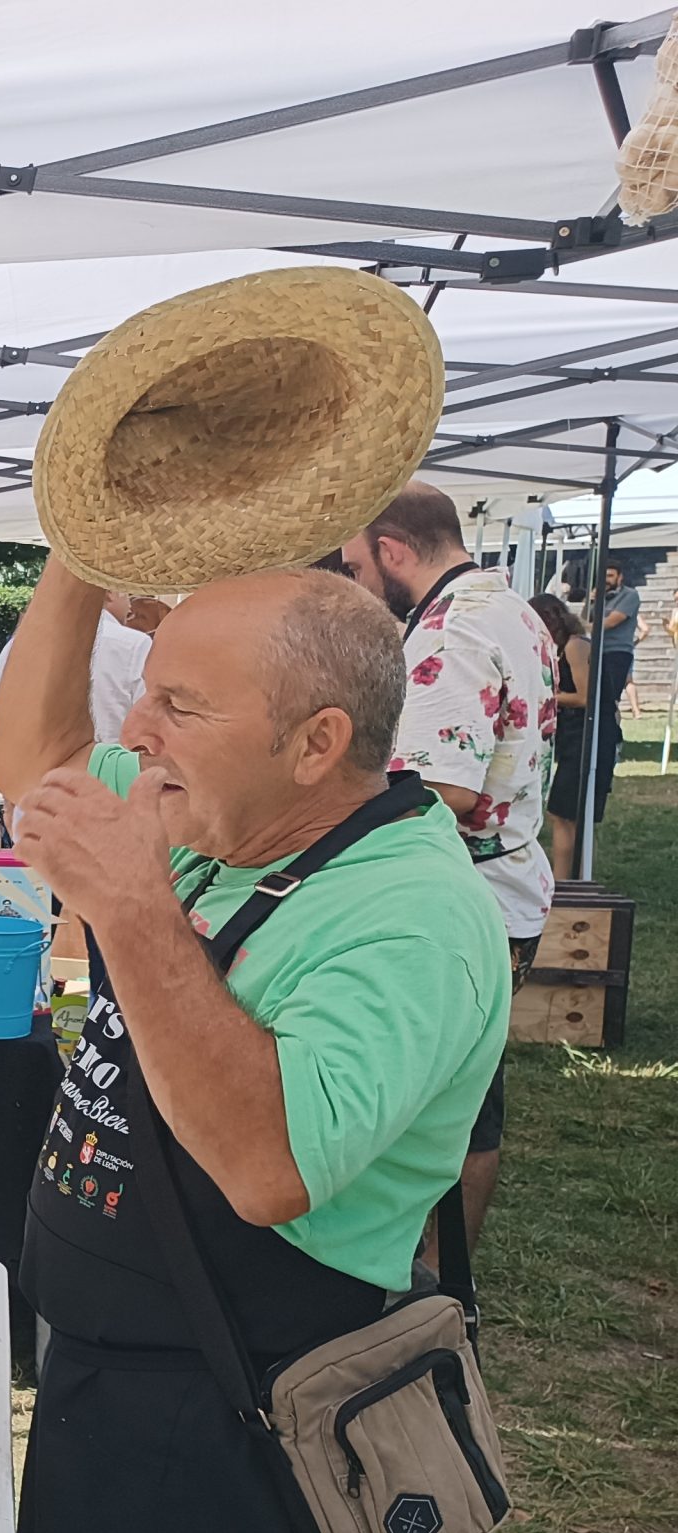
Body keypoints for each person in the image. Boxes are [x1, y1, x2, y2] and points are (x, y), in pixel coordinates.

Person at [0, 558, 507, 1533]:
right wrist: (77, 572)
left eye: (180, 705)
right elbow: (32, 763)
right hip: (133, 1409)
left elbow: (269, 1165)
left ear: (317, 742)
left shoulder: (413, 915)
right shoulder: (229, 814)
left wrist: (137, 910)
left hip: (245, 1448)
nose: (139, 734)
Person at [341, 482, 555, 1249]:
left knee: (442, 1108)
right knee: (468, 1099)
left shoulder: (449, 633)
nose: (363, 589)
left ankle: (429, 1275)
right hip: (505, 890)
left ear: (393, 551)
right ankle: (443, 1274)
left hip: (456, 901)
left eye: (360, 570)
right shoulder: (512, 608)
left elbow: (443, 788)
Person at [0, 590, 154, 750]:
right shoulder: (135, 646)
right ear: (109, 593)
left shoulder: (20, 644)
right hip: (109, 781)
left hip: (31, 782)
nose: (130, 605)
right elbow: (149, 732)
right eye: (126, 594)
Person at [535, 592, 598, 879]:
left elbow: (586, 697)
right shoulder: (567, 648)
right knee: (566, 814)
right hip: (573, 736)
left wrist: (548, 696)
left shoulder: (575, 647)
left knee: (562, 813)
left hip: (587, 737)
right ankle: (571, 876)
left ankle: (563, 881)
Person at [585, 560, 638, 827]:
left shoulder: (630, 596)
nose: (606, 579)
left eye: (611, 575)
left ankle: (611, 745)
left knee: (607, 703)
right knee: (597, 703)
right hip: (597, 653)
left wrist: (581, 626)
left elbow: (610, 623)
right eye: (603, 575)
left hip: (616, 654)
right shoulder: (598, 597)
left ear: (620, 576)